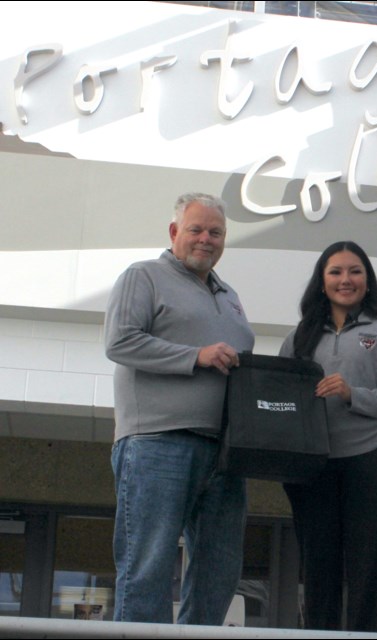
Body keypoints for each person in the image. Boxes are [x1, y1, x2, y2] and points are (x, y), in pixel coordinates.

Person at [105, 192, 254, 624]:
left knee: (219, 572)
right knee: (147, 569)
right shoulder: (143, 276)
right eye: (196, 229)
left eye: (216, 232)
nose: (206, 238)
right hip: (157, 442)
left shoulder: (230, 295)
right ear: (174, 232)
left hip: (224, 453)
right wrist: (196, 355)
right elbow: (120, 342)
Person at [280, 240, 377, 632]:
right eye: (335, 272)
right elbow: (280, 398)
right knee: (318, 565)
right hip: (313, 463)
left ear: (368, 281)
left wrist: (352, 393)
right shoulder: (299, 338)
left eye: (355, 271)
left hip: (372, 456)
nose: (346, 279)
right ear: (321, 283)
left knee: (367, 567)